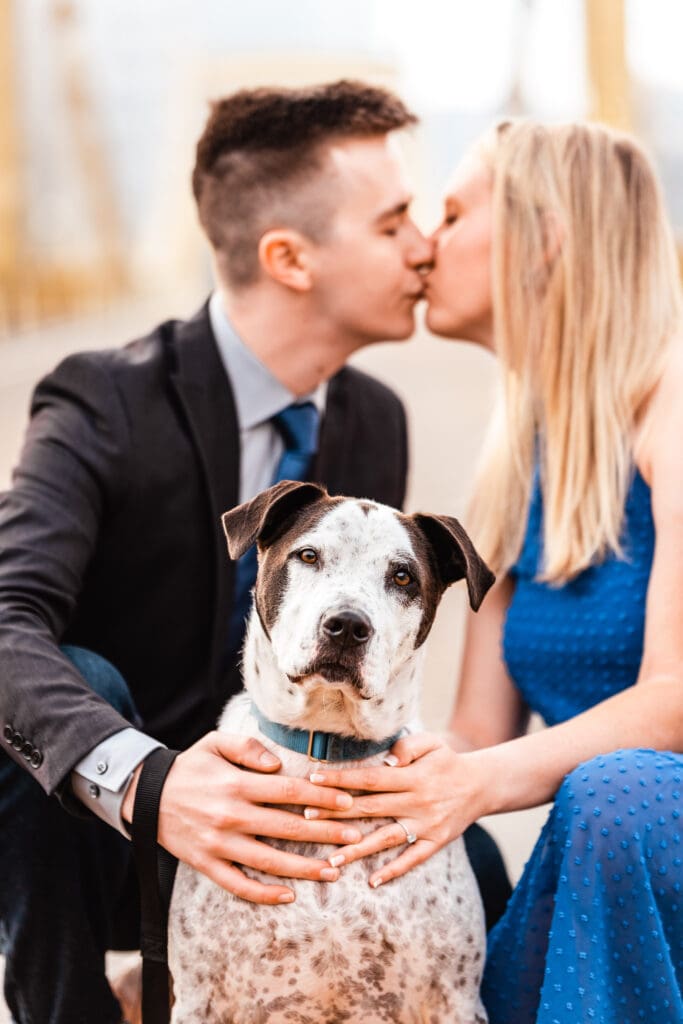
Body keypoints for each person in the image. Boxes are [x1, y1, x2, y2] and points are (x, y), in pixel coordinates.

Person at [0, 80, 438, 1024]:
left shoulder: (374, 419)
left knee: (466, 859)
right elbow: (3, 623)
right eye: (394, 221)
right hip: (101, 839)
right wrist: (148, 784)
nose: (424, 245)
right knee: (64, 682)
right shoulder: (100, 403)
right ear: (289, 257)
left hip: (291, 814)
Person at [306, 119, 683, 1022]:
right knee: (427, 842)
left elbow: (673, 701)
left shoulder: (673, 404)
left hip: (634, 819)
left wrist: (470, 784)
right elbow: (476, 728)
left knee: (614, 793)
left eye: (453, 211)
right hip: (602, 831)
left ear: (542, 235)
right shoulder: (520, 457)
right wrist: (368, 782)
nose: (426, 242)